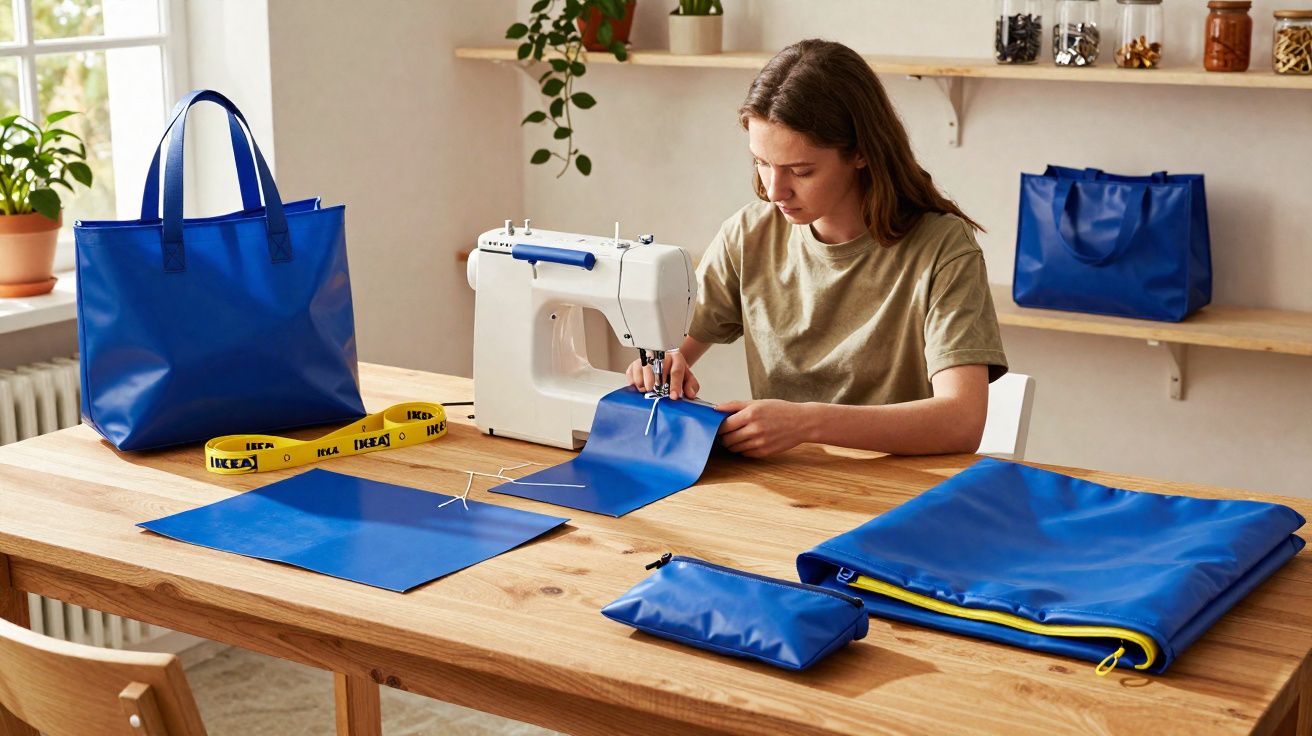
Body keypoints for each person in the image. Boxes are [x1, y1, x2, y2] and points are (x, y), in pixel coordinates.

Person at [626, 39, 1008, 458]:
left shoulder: (943, 249)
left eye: (801, 171)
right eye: (762, 162)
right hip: (786, 493)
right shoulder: (748, 235)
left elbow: (961, 422)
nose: (775, 191)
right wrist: (663, 364)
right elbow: (674, 349)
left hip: (897, 498)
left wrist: (806, 422)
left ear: (861, 152)